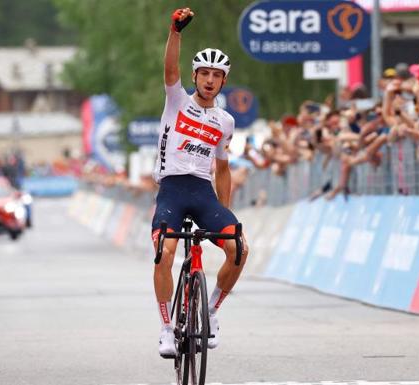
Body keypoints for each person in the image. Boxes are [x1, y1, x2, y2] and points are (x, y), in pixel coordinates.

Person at [151, 7, 249, 358]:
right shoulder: (176, 101)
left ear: (224, 81)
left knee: (239, 248)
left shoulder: (225, 121)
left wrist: (224, 210)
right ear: (195, 76)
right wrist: (175, 32)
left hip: (203, 193)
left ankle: (210, 311)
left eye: (216, 75)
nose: (209, 79)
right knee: (165, 251)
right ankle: (165, 328)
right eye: (204, 73)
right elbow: (170, 69)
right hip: (172, 190)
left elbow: (222, 170)